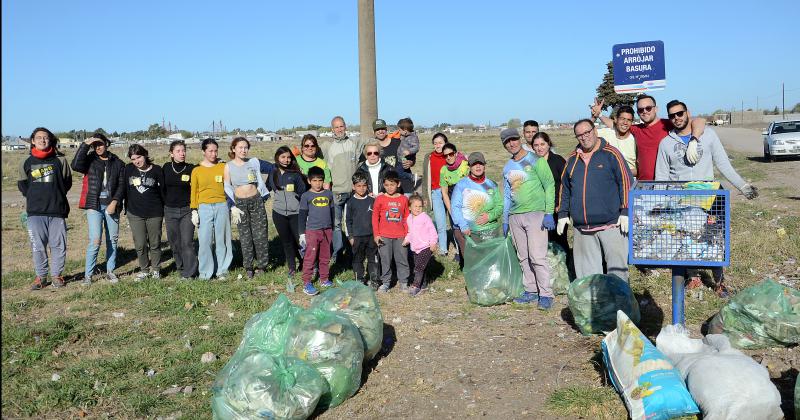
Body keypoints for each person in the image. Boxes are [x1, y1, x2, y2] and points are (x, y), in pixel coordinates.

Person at [656, 99, 759, 298]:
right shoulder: (666, 143)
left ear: (687, 113)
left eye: (680, 113)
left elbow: (723, 164)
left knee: (715, 238)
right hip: (682, 201)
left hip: (710, 197)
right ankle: (693, 276)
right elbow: (662, 176)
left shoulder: (708, 135)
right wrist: (661, 202)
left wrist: (743, 185)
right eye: (672, 115)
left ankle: (719, 281)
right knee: (687, 238)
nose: (676, 118)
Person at [557, 119, 633, 281]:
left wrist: (626, 210)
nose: (584, 137)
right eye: (580, 135)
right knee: (589, 278)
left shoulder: (611, 154)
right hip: (582, 229)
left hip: (611, 225)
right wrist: (563, 213)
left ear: (595, 131)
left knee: (617, 273)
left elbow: (626, 181)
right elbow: (565, 187)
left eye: (587, 132)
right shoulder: (572, 159)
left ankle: (619, 304)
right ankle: (593, 305)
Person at [500, 128, 557, 309]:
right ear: (504, 145)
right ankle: (531, 291)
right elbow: (508, 195)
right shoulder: (507, 167)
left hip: (536, 214)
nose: (512, 144)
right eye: (507, 142)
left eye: (514, 139)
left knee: (537, 256)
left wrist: (548, 212)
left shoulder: (535, 160)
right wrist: (505, 219)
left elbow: (549, 184)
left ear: (520, 139)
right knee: (523, 256)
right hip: (515, 216)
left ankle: (546, 294)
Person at [591, 96, 707, 181]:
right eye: (641, 110)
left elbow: (699, 121)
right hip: (643, 186)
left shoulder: (667, 124)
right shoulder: (637, 129)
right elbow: (616, 124)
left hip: (665, 185)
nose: (645, 111)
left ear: (655, 109)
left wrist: (693, 140)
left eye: (648, 108)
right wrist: (599, 114)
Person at [19, 127, 72, 290]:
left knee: (58, 245)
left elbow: (67, 182)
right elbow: (22, 184)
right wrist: (36, 197)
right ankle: (41, 277)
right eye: (39, 137)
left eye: (46, 138)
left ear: (50, 140)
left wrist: (55, 195)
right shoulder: (26, 162)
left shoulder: (60, 160)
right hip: (35, 212)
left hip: (57, 210)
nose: (43, 140)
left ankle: (57, 276)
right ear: (33, 141)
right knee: (38, 246)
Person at [71, 132, 126, 284]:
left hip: (111, 205)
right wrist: (85, 145)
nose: (98, 147)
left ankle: (110, 271)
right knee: (95, 240)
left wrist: (115, 202)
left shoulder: (118, 162)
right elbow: (75, 165)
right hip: (94, 205)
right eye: (95, 145)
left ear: (107, 143)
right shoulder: (90, 160)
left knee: (112, 240)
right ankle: (88, 275)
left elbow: (122, 185)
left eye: (100, 144)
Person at [319, 116, 366, 264]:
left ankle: (357, 251)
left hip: (353, 192)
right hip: (337, 192)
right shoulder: (327, 146)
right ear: (332, 129)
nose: (339, 129)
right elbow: (314, 158)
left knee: (354, 222)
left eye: (341, 126)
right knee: (336, 224)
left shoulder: (354, 143)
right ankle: (338, 253)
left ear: (345, 126)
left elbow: (373, 142)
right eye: (336, 127)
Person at [224, 137, 270, 279]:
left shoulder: (254, 162)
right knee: (245, 236)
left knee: (260, 234)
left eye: (245, 147)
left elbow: (273, 168)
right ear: (233, 149)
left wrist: (266, 190)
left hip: (256, 201)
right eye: (240, 147)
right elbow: (226, 187)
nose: (243, 150)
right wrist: (232, 206)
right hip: (240, 204)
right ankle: (249, 266)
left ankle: (262, 265)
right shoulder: (228, 166)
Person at [191, 138, 233, 280]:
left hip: (221, 205)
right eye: (210, 151)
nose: (213, 154)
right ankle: (205, 273)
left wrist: (231, 205)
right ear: (203, 151)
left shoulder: (223, 166)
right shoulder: (196, 170)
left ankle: (222, 270)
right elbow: (194, 192)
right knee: (204, 241)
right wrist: (194, 210)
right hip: (204, 207)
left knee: (222, 240)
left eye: (215, 151)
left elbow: (228, 187)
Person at [123, 144, 166, 280]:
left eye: (139, 157)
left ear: (145, 155)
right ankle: (144, 269)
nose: (136, 161)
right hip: (135, 213)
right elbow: (124, 189)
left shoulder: (157, 170)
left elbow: (163, 192)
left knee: (154, 243)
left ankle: (156, 270)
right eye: (133, 159)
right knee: (140, 244)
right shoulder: (128, 169)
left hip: (154, 212)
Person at [268, 146, 307, 283]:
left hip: (295, 213)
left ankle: (307, 264)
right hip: (278, 213)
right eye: (283, 157)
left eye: (289, 157)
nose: (286, 160)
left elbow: (303, 193)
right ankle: (291, 266)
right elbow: (267, 188)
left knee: (300, 241)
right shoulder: (273, 172)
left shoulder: (295, 174)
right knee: (286, 242)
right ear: (277, 158)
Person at [450, 152, 503, 245]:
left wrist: (489, 216)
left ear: (484, 166)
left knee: (492, 258)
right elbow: (455, 207)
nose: (478, 166)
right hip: (470, 232)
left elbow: (500, 206)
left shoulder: (492, 185)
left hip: (491, 231)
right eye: (474, 164)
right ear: (469, 167)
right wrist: (463, 226)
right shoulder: (461, 185)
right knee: (474, 259)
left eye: (481, 163)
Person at [162, 140, 198, 280]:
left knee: (187, 242)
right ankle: (181, 267)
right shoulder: (165, 168)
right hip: (170, 210)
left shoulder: (191, 168)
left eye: (183, 150)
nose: (182, 153)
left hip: (186, 210)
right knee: (174, 242)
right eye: (178, 151)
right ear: (171, 153)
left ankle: (190, 272)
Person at [298, 166, 335, 295]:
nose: (317, 183)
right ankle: (307, 282)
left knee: (325, 256)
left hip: (327, 230)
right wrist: (302, 233)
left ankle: (324, 278)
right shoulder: (306, 196)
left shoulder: (328, 194)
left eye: (320, 180)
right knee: (310, 257)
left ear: (323, 181)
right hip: (312, 231)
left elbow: (332, 211)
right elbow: (302, 215)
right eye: (314, 180)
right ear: (309, 181)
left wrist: (333, 228)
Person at [531, 132, 569, 253]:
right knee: (542, 241)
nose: (539, 148)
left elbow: (566, 184)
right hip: (538, 209)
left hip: (557, 209)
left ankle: (565, 266)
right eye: (536, 145)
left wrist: (561, 205)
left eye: (542, 144)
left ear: (548, 144)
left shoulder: (558, 161)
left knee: (559, 240)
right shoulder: (531, 163)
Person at [372, 170, 410, 293]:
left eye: (392, 184)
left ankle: (404, 282)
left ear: (398, 184)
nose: (389, 187)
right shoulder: (380, 199)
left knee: (402, 259)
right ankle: (386, 282)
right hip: (384, 236)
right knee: (385, 260)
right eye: (387, 185)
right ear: (383, 185)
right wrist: (376, 235)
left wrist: (408, 235)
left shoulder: (404, 199)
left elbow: (406, 218)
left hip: (400, 236)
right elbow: (375, 218)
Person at [344, 171, 379, 289]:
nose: (362, 188)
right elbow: (347, 221)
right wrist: (350, 237)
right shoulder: (350, 203)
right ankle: (359, 279)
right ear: (353, 187)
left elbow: (378, 218)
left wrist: (377, 234)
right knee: (358, 259)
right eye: (358, 185)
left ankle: (374, 280)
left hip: (371, 236)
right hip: (357, 237)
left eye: (364, 185)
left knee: (373, 259)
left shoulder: (372, 200)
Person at [439, 142, 469, 265]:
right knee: (458, 233)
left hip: (468, 203)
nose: (448, 157)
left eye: (451, 154)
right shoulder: (444, 170)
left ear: (456, 153)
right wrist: (451, 210)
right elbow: (444, 193)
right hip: (453, 203)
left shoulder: (466, 165)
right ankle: (463, 260)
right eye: (445, 156)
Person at [370, 118, 417, 195]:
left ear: (386, 129)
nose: (380, 131)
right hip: (386, 189)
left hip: (404, 186)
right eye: (377, 129)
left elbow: (412, 157)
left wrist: (411, 162)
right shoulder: (373, 149)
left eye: (382, 129)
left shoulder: (399, 143)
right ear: (373, 132)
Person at [403, 194, 438, 296]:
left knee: (418, 268)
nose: (418, 209)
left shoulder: (425, 217)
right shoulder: (409, 218)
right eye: (415, 206)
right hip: (415, 248)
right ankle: (424, 284)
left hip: (425, 247)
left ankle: (416, 286)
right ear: (410, 207)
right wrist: (406, 240)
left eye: (420, 206)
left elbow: (432, 231)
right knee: (422, 267)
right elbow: (410, 232)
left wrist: (433, 243)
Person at [422, 132, 450, 255]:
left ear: (445, 143)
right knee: (440, 222)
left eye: (440, 142)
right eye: (435, 143)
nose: (438, 145)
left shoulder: (450, 155)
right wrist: (425, 196)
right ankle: (443, 250)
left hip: (449, 192)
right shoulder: (428, 157)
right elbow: (425, 178)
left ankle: (460, 247)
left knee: (455, 220)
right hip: (436, 193)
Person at [596, 106, 638, 177]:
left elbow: (640, 170)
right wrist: (595, 115)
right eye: (622, 119)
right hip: (609, 182)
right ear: (615, 119)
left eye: (629, 120)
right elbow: (586, 133)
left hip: (630, 183)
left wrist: (620, 172)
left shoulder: (635, 140)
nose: (625, 122)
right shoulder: (607, 133)